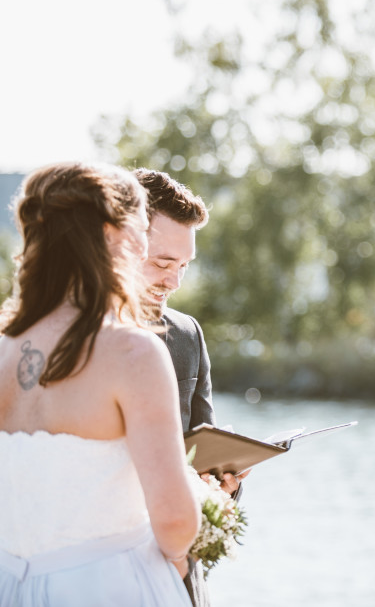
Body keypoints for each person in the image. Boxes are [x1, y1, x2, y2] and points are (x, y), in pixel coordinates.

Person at [0, 162, 199, 606]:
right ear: (113, 234)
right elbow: (174, 519)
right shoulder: (132, 353)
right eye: (139, 228)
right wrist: (179, 558)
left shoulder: (4, 347)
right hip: (110, 586)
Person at [134, 168, 241, 607]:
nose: (174, 282)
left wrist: (225, 483)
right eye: (162, 263)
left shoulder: (187, 334)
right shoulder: (63, 340)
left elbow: (201, 441)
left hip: (180, 579)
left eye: (183, 266)